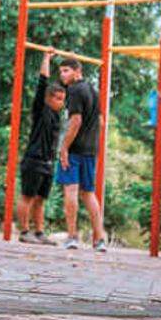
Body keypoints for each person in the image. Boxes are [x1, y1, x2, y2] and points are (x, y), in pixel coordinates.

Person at [55, 57, 106, 251]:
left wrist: (64, 147)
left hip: (75, 149)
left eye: (66, 71)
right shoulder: (93, 90)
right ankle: (99, 239)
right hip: (90, 150)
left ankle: (72, 236)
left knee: (71, 190)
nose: (62, 75)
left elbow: (75, 121)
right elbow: (100, 122)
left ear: (77, 71)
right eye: (61, 71)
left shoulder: (74, 91)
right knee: (89, 193)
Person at [17, 50, 65, 244]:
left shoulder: (56, 116)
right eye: (58, 99)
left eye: (63, 99)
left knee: (40, 199)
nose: (62, 103)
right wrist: (46, 58)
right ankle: (24, 231)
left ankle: (38, 232)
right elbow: (42, 82)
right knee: (28, 196)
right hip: (34, 160)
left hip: (47, 162)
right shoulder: (41, 109)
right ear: (48, 98)